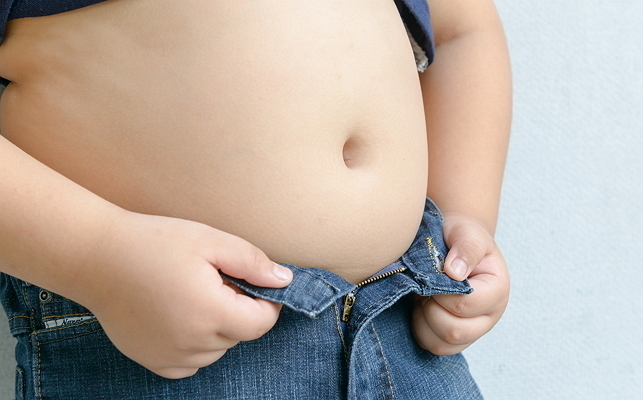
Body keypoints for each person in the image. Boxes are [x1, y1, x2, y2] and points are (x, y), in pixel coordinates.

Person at [0, 0, 511, 398]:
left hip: (407, 321)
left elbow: (462, 27)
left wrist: (464, 217)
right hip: (172, 339)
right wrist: (98, 255)